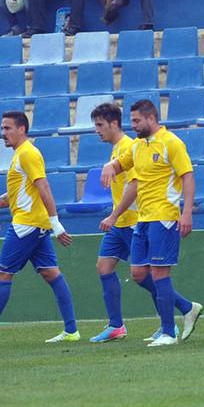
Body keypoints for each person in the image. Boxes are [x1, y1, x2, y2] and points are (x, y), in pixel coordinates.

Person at [0, 110, 81, 346]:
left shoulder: (28, 153)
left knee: (2, 274)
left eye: (7, 128)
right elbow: (19, 192)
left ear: (22, 129)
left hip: (26, 225)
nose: (3, 133)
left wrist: (56, 224)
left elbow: (44, 186)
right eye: (2, 128)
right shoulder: (21, 154)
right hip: (35, 224)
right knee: (51, 273)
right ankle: (72, 331)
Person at [98, 99, 203, 346]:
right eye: (132, 120)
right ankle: (187, 308)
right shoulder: (138, 146)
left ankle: (168, 332)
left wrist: (187, 212)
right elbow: (122, 164)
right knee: (138, 273)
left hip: (164, 216)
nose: (133, 125)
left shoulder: (171, 142)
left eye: (137, 121)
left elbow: (187, 177)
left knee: (159, 272)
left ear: (151, 118)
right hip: (143, 218)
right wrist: (110, 166)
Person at [86, 101, 145, 342]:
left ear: (113, 124)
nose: (97, 130)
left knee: (145, 275)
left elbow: (135, 185)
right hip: (119, 223)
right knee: (104, 267)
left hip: (133, 222)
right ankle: (116, 326)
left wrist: (113, 215)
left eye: (100, 125)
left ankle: (182, 310)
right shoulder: (116, 150)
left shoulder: (128, 147)